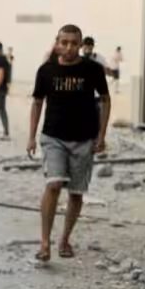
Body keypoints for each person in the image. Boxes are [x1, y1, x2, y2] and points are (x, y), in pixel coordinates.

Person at [27, 24, 111, 263]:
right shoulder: (46, 70)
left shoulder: (93, 70)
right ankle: (44, 243)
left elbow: (105, 99)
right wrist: (31, 136)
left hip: (84, 139)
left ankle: (64, 239)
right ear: (57, 42)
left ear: (81, 44)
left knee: (75, 193)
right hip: (53, 137)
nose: (69, 48)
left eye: (74, 43)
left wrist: (102, 135)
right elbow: (37, 103)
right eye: (64, 42)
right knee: (53, 185)